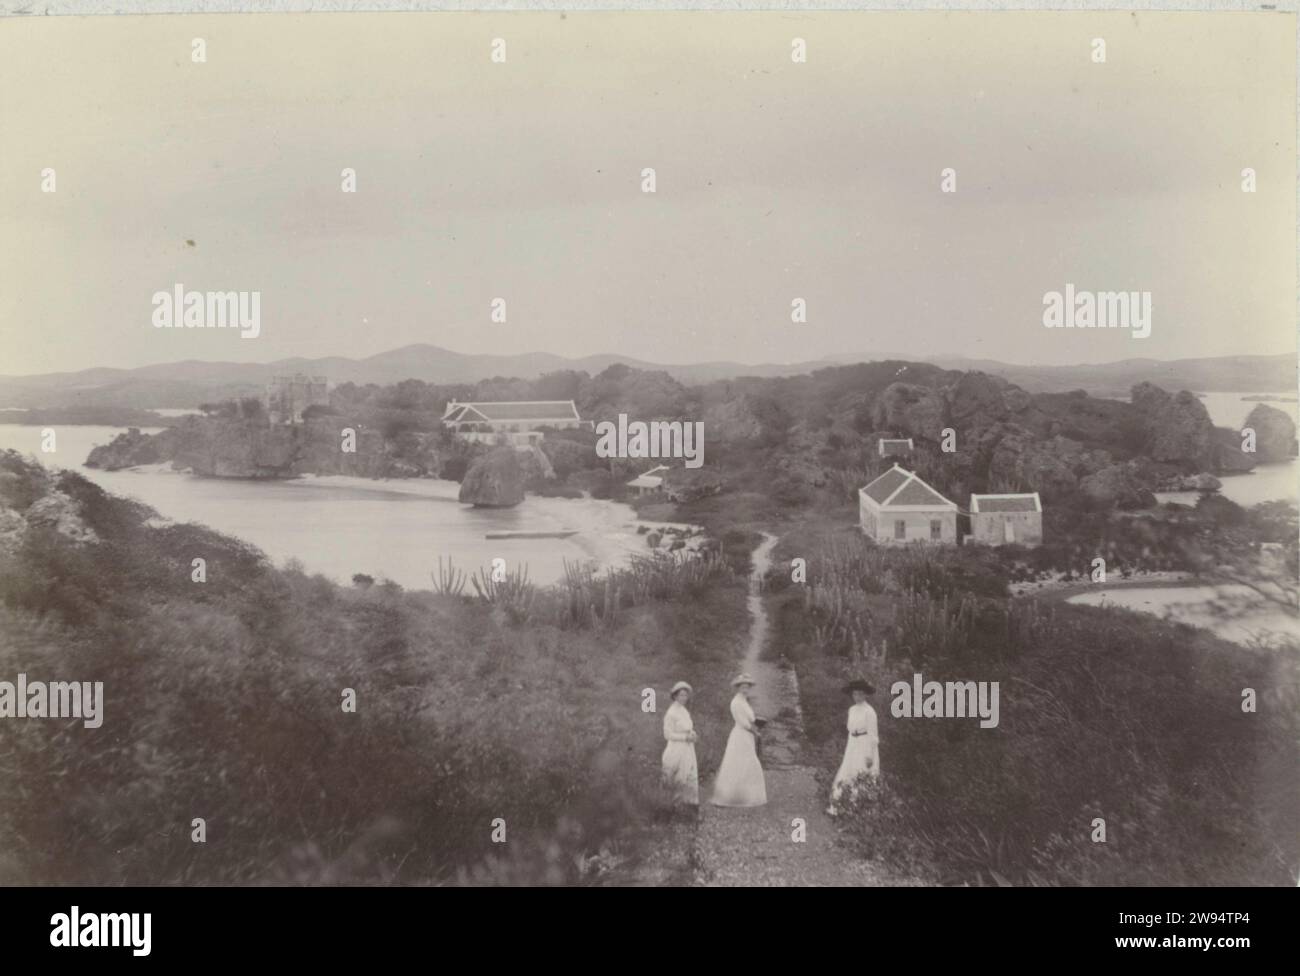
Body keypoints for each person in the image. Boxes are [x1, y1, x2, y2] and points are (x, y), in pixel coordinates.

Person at [711, 674, 767, 808]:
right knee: (738, 762)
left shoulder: (744, 701)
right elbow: (742, 722)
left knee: (747, 763)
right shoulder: (735, 702)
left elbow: (750, 718)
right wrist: (755, 731)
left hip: (747, 736)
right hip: (740, 735)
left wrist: (757, 722)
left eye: (747, 687)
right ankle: (730, 796)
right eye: (742, 686)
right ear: (738, 688)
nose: (745, 689)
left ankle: (746, 795)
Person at [828, 679, 879, 816]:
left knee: (861, 771)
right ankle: (841, 805)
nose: (857, 697)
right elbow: (851, 730)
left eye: (860, 694)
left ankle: (859, 807)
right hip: (853, 743)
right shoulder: (852, 710)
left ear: (866, 695)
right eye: (855, 694)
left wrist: (869, 755)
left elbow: (873, 735)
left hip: (864, 743)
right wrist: (849, 749)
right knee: (848, 769)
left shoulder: (870, 712)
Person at [661, 680, 699, 806]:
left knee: (688, 774)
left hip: (687, 748)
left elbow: (687, 726)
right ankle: (673, 806)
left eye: (685, 695)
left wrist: (692, 733)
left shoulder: (684, 710)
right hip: (676, 748)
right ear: (675, 696)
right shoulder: (671, 713)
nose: (684, 698)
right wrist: (685, 738)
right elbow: (667, 734)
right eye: (681, 695)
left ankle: (687, 805)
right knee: (677, 776)